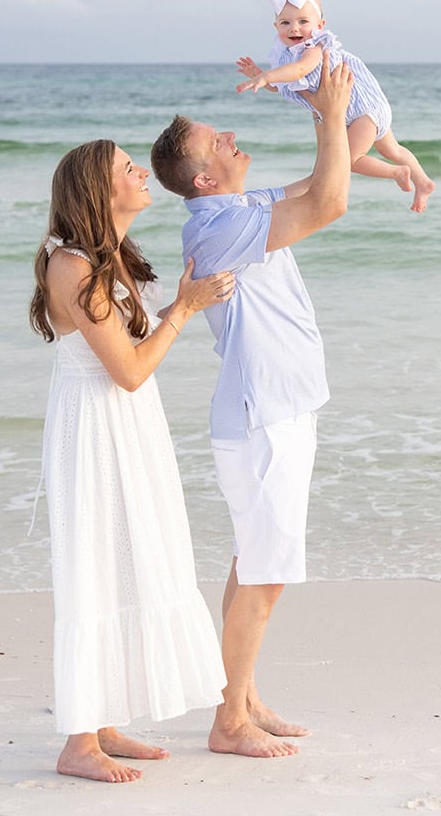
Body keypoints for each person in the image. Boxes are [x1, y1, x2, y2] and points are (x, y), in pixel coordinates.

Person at [148, 59, 355, 757]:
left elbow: (324, 177)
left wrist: (344, 113)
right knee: (266, 575)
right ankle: (227, 720)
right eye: (218, 140)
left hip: (276, 411)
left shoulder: (238, 208)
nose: (232, 135)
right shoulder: (215, 229)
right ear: (204, 178)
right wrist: (327, 116)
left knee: (254, 560)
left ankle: (242, 696)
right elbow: (329, 203)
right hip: (265, 416)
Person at [27, 140, 238, 783]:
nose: (142, 174)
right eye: (128, 169)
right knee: (94, 565)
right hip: (96, 428)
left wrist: (177, 306)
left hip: (127, 426)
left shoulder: (107, 258)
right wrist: (184, 307)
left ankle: (104, 720)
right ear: (99, 190)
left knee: (127, 557)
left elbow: (131, 362)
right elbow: (127, 371)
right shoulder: (70, 265)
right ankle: (77, 742)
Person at [234, 0, 435, 212]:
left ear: (320, 25)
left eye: (303, 21)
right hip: (360, 111)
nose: (294, 28)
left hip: (361, 112)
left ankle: (398, 172)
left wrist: (267, 76)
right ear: (276, 26)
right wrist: (259, 74)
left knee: (348, 160)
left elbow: (300, 70)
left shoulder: (314, 48)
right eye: (285, 23)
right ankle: (423, 183)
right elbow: (283, 85)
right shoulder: (285, 58)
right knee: (392, 149)